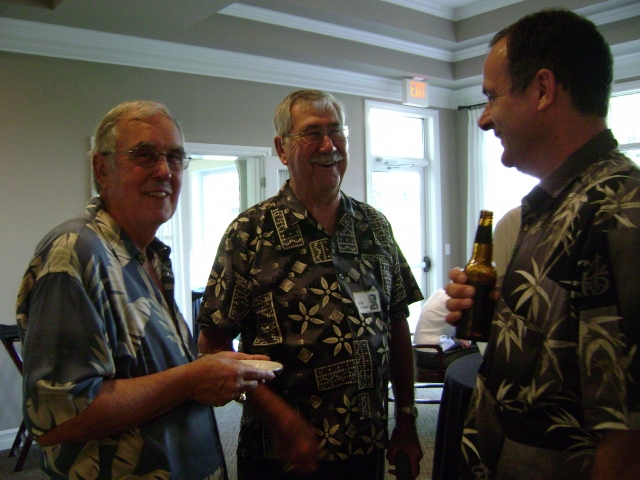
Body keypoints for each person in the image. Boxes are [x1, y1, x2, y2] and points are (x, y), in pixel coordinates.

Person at [15, 100, 275, 479]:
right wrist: (192, 379)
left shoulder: (149, 256)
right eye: (144, 155)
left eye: (174, 157)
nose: (164, 171)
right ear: (102, 169)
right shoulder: (75, 254)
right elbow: (59, 419)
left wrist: (206, 374)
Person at [445, 9, 640, 480]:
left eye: (492, 97)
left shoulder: (620, 211)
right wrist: (502, 313)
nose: (484, 119)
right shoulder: (552, 207)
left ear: (543, 90)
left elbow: (629, 430)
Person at [197, 89, 424, 479]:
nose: (328, 145)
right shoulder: (249, 234)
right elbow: (213, 343)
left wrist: (406, 418)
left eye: (336, 131)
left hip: (364, 445)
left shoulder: (376, 227)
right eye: (312, 133)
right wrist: (280, 418)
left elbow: (396, 323)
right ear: (282, 149)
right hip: (282, 453)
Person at [413, 289, 477, 369]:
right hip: (432, 356)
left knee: (475, 352)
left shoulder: (440, 294)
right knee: (479, 355)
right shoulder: (452, 302)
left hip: (422, 352)